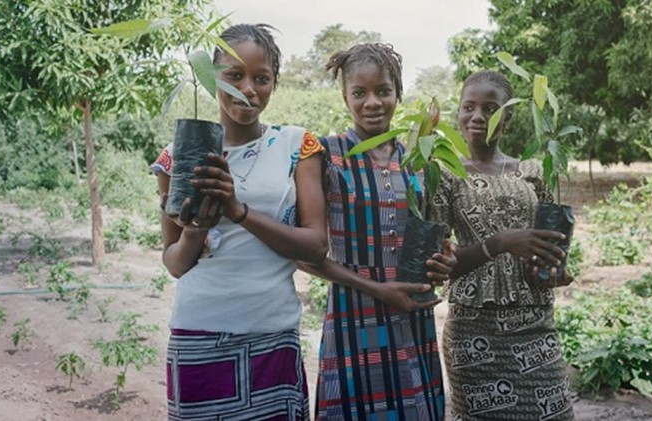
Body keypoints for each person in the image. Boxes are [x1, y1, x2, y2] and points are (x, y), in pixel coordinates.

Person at [151, 24, 328, 420]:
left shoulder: (297, 146)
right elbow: (175, 264)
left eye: (261, 78)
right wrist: (196, 230)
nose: (248, 89)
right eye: (234, 76)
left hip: (273, 334)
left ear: (274, 83)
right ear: (211, 77)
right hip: (198, 333)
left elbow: (317, 246)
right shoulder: (177, 155)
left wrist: (239, 212)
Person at [298, 43, 454, 421]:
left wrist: (443, 259)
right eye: (360, 92)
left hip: (412, 316)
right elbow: (306, 254)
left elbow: (435, 235)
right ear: (345, 96)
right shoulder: (326, 155)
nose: (373, 102)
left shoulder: (418, 160)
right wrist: (377, 289)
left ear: (398, 93)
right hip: (354, 315)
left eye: (383, 91)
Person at [428, 70, 575, 420]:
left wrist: (553, 270)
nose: (477, 117)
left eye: (491, 109)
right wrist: (500, 243)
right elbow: (439, 264)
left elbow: (547, 245)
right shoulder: (445, 174)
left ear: (506, 118)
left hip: (535, 320)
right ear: (459, 113)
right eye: (469, 107)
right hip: (473, 329)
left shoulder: (532, 171)